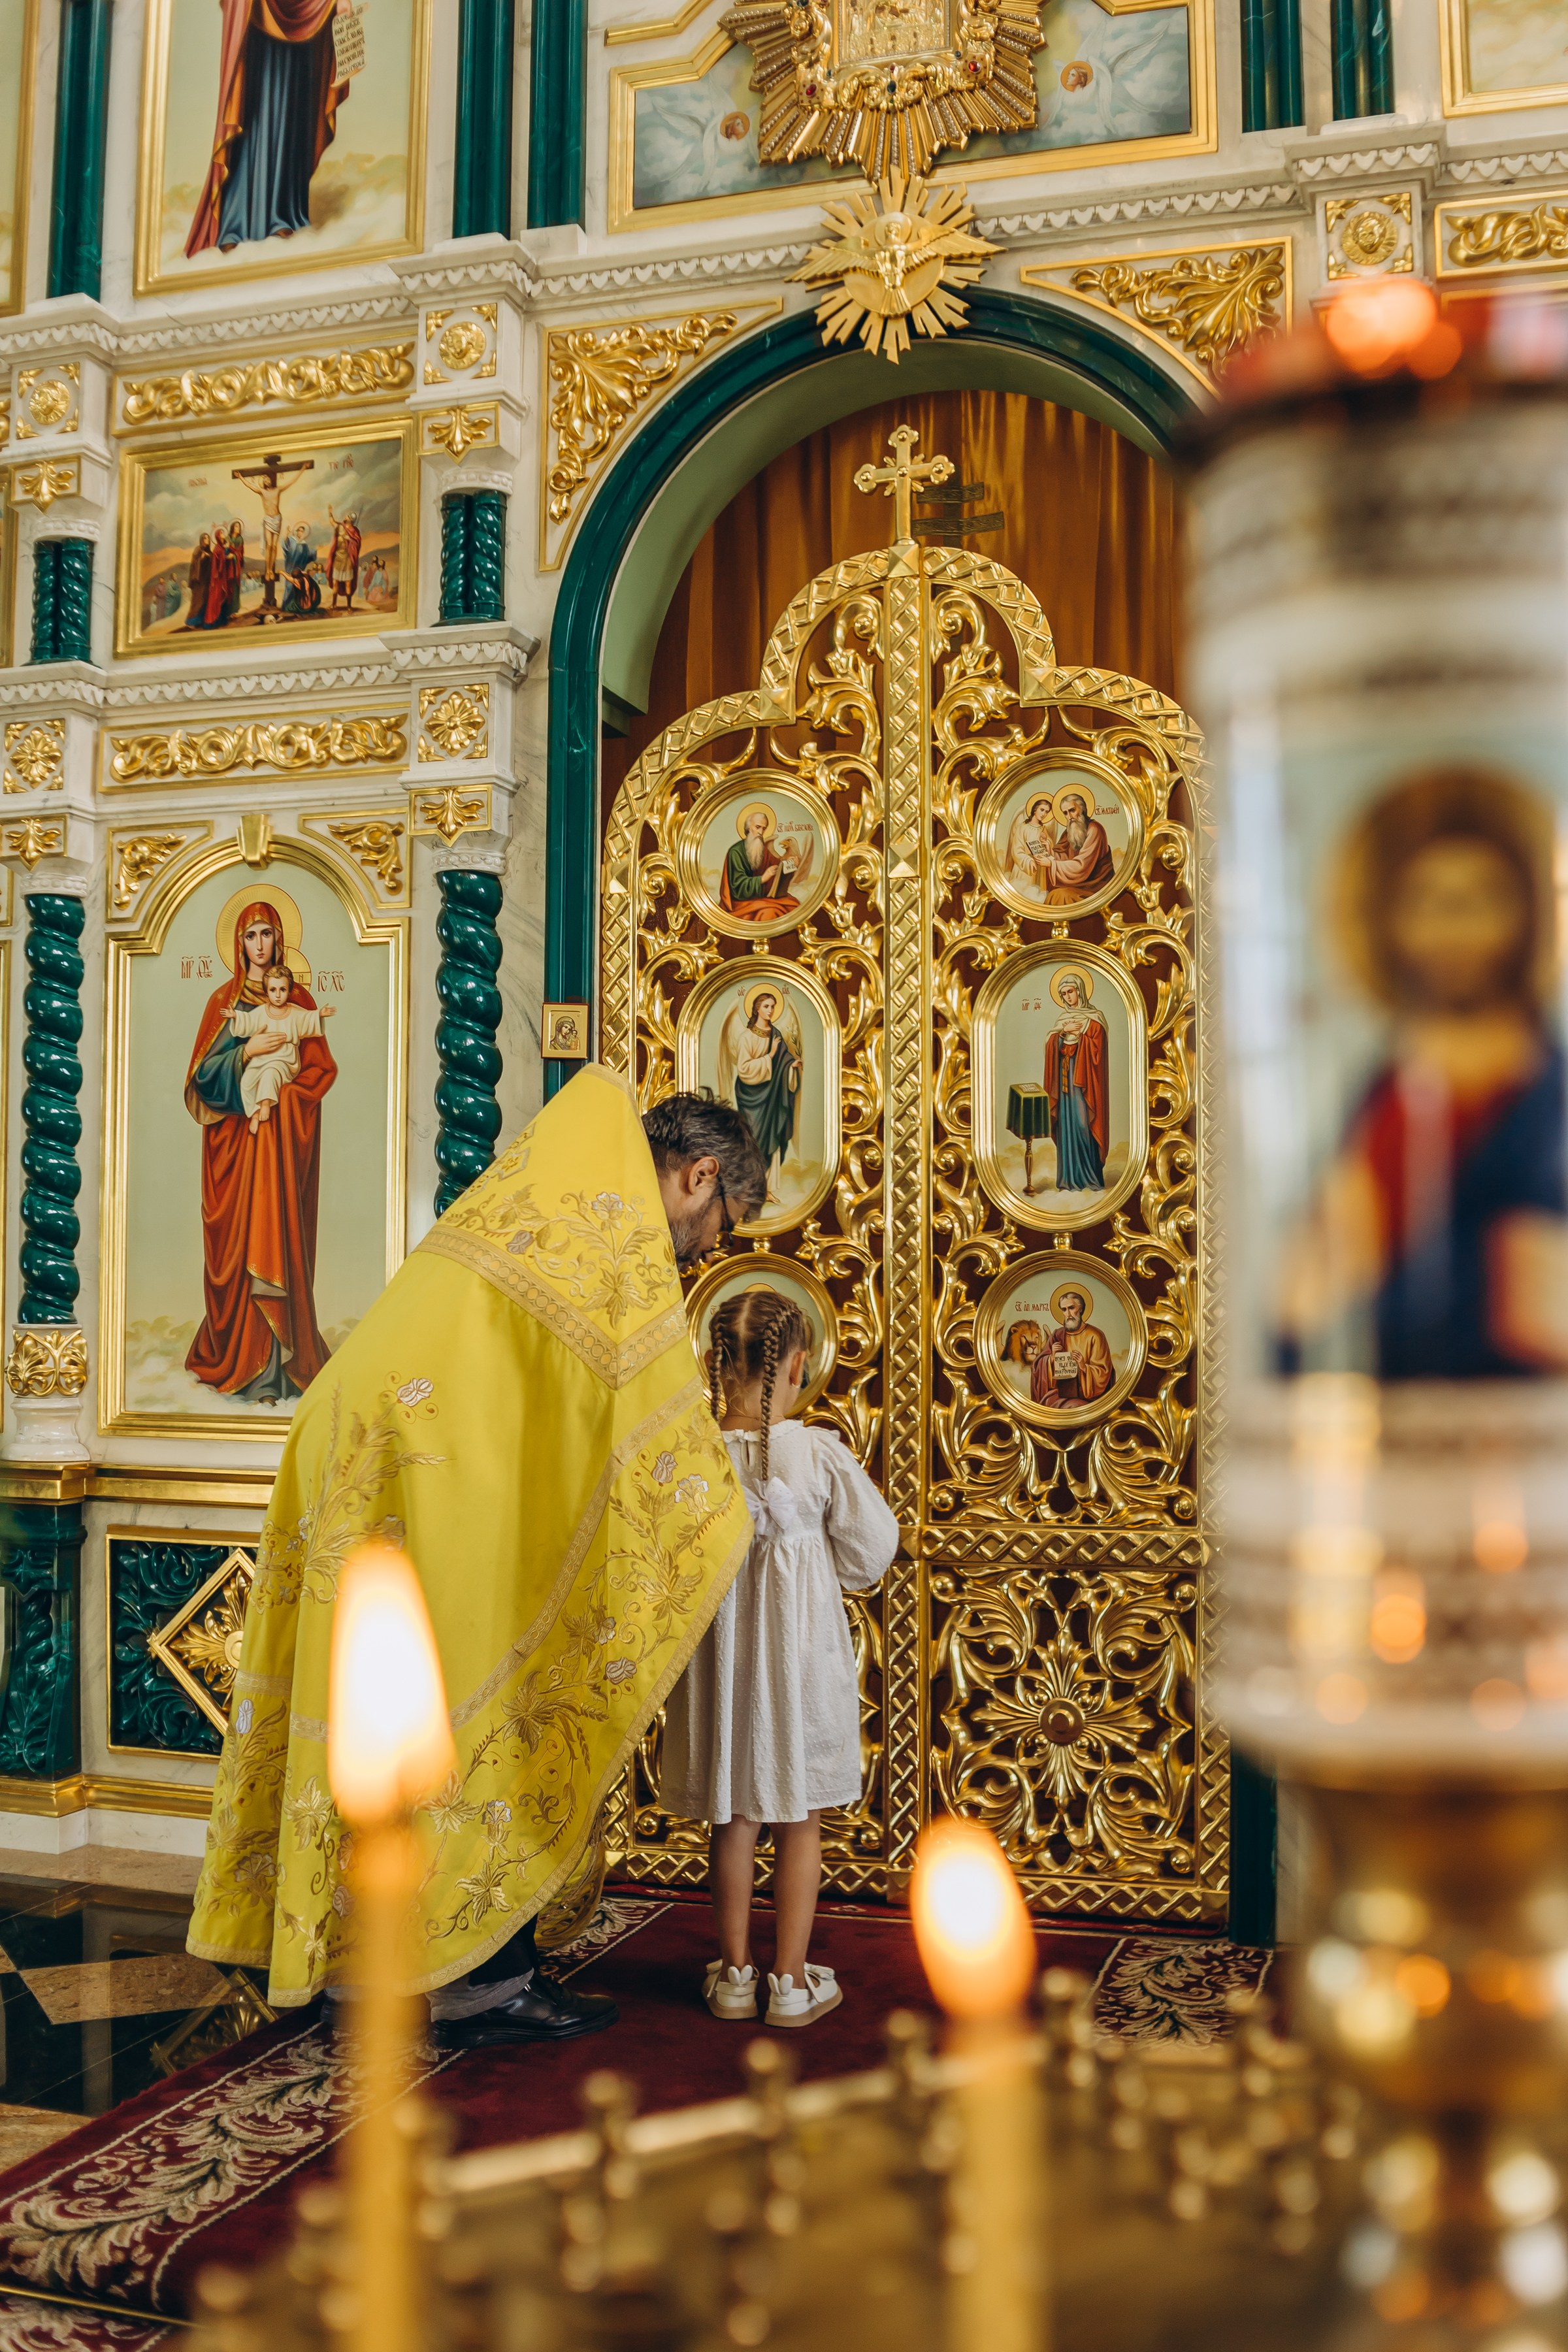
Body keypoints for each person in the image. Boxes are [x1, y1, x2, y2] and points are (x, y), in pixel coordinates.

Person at [188, 1077, 770, 2045]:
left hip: (362, 1444)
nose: (713, 1247)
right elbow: (634, 1409)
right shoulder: (606, 1227)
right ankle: (479, 1988)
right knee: (486, 1707)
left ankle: (353, 1967)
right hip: (422, 1477)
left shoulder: (545, 1183)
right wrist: (710, 1499)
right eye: (726, 1221)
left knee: (377, 1710)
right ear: (700, 1175)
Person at [1279, 768, 1568, 1378]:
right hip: (1403, 1416)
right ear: (1391, 922)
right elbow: (1309, 1299)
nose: (1455, 925)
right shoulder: (1389, 1097)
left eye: (1482, 896)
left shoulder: (1550, 1092)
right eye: (1428, 899)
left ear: (1528, 913)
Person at [661, 1288, 898, 2029]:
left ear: (710, 1363)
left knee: (732, 1819)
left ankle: (734, 1974)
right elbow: (871, 1551)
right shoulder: (817, 1453)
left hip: (723, 1669)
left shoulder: (689, 1456)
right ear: (798, 1365)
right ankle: (790, 1982)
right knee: (800, 1822)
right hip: (797, 1668)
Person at [184, 901, 337, 1401]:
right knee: (238, 1247)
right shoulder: (222, 1004)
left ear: (279, 940)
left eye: (267, 934)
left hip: (279, 1146)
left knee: (277, 1240)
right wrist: (245, 1053)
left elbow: (319, 1068)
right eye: (251, 935)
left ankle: (280, 1369)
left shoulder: (299, 999)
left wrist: (290, 1098)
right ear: (239, 943)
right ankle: (242, 1363)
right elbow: (201, 1080)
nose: (259, 944)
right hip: (234, 1151)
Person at [188, 0, 355, 258]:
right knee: (252, 111)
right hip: (256, 22)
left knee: (292, 109)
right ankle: (236, 221)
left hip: (305, 20)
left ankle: (283, 213)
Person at [228, 965, 336, 1134]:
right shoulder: (261, 1012)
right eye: (273, 990)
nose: (278, 995)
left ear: (289, 990)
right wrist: (236, 1017)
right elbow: (248, 1022)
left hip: (284, 1059)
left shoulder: (294, 1012)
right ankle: (254, 1113)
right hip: (262, 1058)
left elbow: (308, 1019)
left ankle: (265, 1105)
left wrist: (320, 1014)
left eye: (282, 989)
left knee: (271, 1073)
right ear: (267, 991)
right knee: (247, 1081)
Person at [1042, 972, 1109, 1192]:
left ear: (1079, 991)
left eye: (1070, 992)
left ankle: (1090, 1178)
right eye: (1063, 994)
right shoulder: (1063, 1020)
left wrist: (1082, 1037)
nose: (1067, 997)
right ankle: (1068, 1180)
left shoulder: (1095, 1018)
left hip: (1085, 1083)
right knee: (1066, 1125)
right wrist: (1062, 1033)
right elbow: (1051, 1045)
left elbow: (1099, 1049)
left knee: (1083, 1123)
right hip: (1063, 1084)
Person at [1030, 1285, 1115, 1410]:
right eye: (1064, 1310)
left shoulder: (1095, 1336)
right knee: (1047, 1405)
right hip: (1060, 1393)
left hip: (1087, 1396)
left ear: (1080, 1309)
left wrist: (1083, 1366)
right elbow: (1038, 1368)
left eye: (1071, 1308)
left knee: (1072, 1407)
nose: (1068, 1314)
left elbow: (1104, 1372)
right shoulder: (1058, 1335)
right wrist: (1052, 1359)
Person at [722, 806, 800, 923]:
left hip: (764, 897)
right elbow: (737, 887)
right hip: (741, 901)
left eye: (764, 828)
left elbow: (778, 867)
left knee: (795, 906)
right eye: (758, 827)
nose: (761, 832)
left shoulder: (761, 848)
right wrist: (762, 879)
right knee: (770, 913)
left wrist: (791, 863)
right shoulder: (736, 852)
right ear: (748, 827)